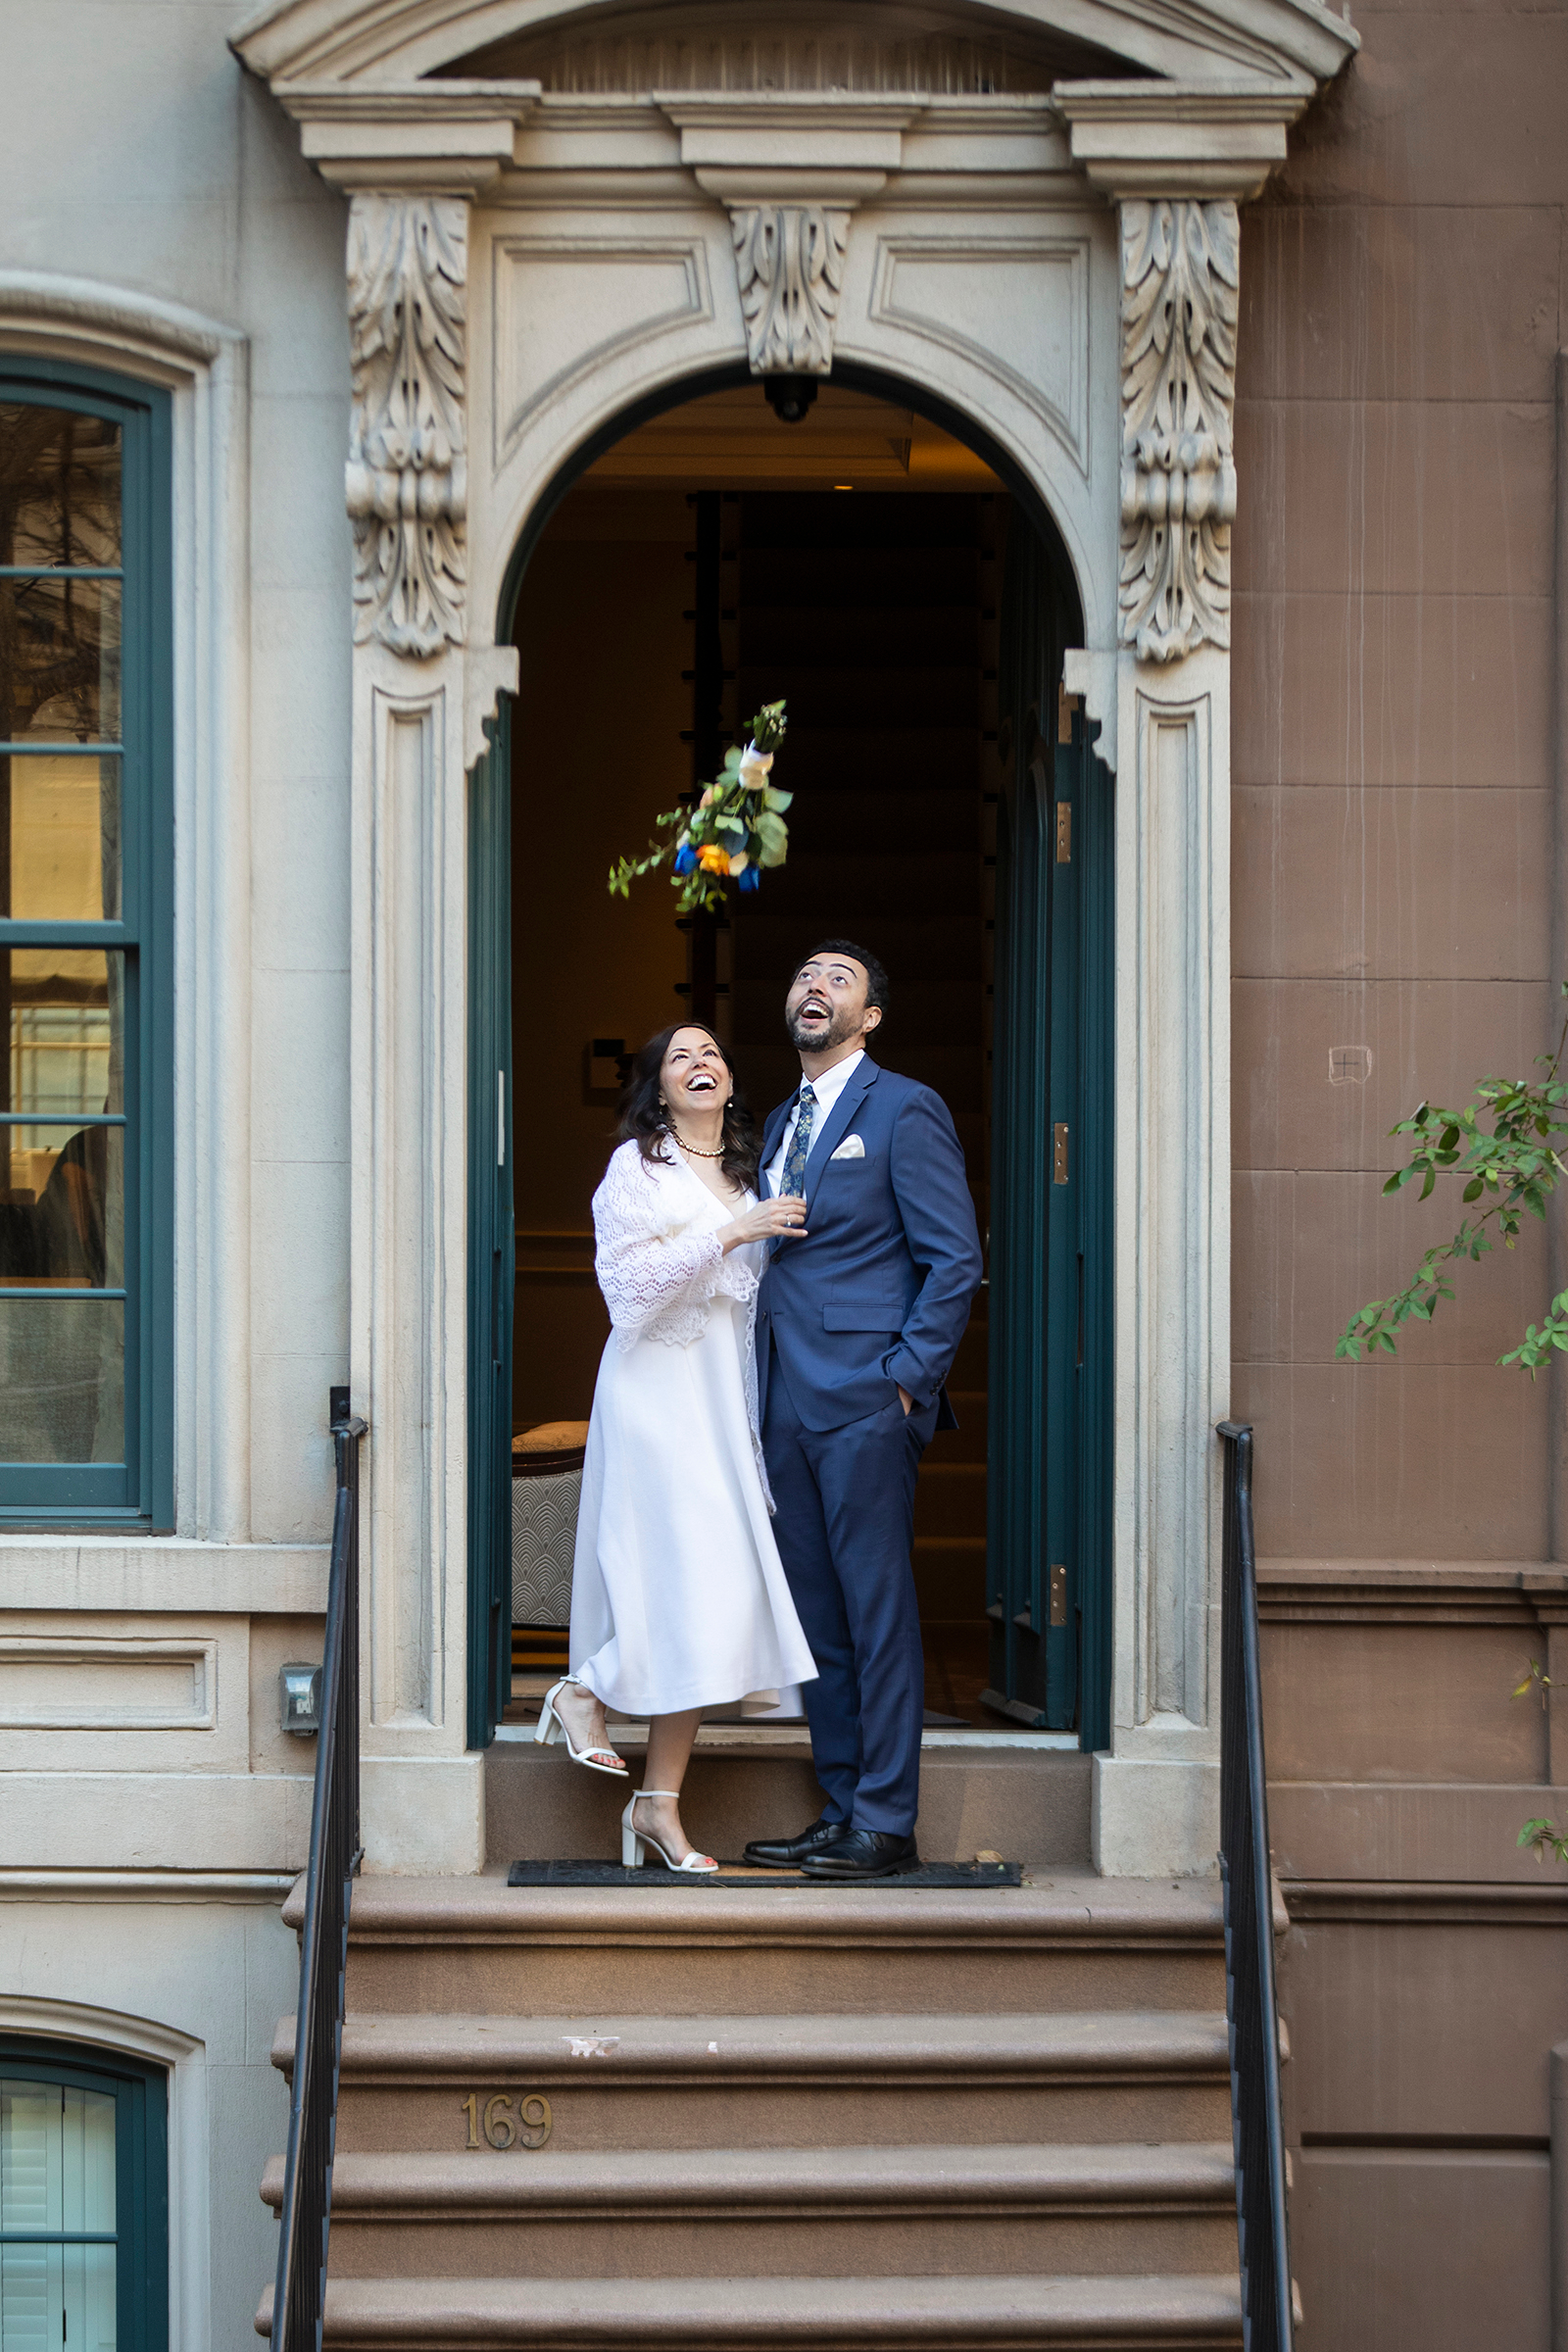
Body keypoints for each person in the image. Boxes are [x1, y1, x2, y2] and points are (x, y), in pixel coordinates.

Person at [538, 1022, 817, 1872]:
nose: (701, 1065)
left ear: (731, 1084)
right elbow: (627, 1291)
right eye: (680, 1058)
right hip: (654, 1393)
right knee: (678, 1576)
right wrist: (734, 1233)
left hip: (721, 1400)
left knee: (716, 1588)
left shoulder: (750, 1172)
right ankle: (583, 1690)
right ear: (659, 1089)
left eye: (713, 1056)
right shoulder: (639, 1169)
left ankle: (657, 1803)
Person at [743, 942, 984, 1881]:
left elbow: (952, 1258)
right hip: (781, 1402)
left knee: (876, 1611)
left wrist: (905, 1381)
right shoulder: (774, 1122)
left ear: (870, 1017)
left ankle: (886, 1821)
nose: (814, 986)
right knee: (816, 1620)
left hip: (864, 1401)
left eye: (838, 979)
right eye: (803, 974)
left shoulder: (905, 1107)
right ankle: (840, 1806)